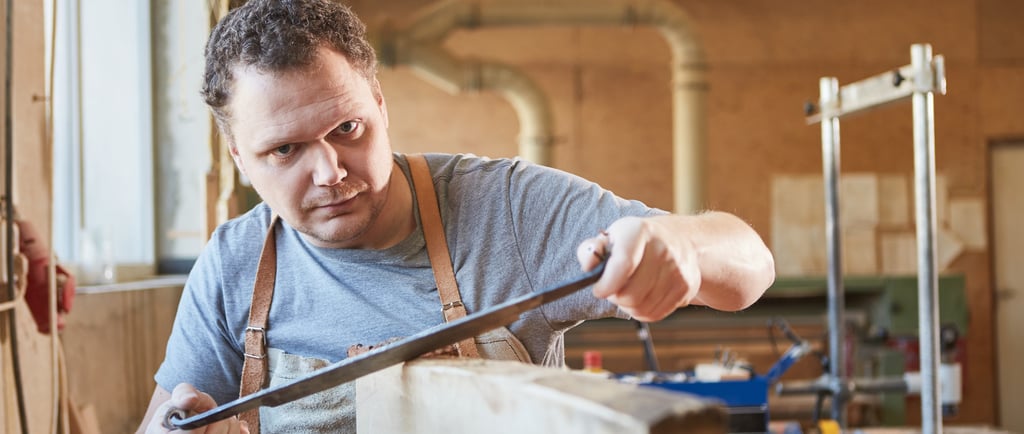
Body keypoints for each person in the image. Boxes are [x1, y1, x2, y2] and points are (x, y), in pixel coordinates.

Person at [138, 0, 775, 432]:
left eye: (349, 128)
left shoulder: (508, 211)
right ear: (240, 159)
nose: (329, 171)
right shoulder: (234, 264)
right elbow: (162, 419)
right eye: (284, 150)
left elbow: (751, 265)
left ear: (380, 105)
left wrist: (683, 248)